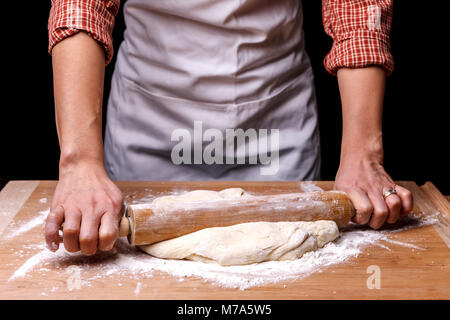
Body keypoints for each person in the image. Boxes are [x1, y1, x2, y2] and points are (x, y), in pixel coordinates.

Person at [45, 0, 413, 255]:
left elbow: (356, 11)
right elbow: (82, 9)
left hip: (274, 117)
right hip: (153, 116)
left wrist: (363, 154)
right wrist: (80, 163)